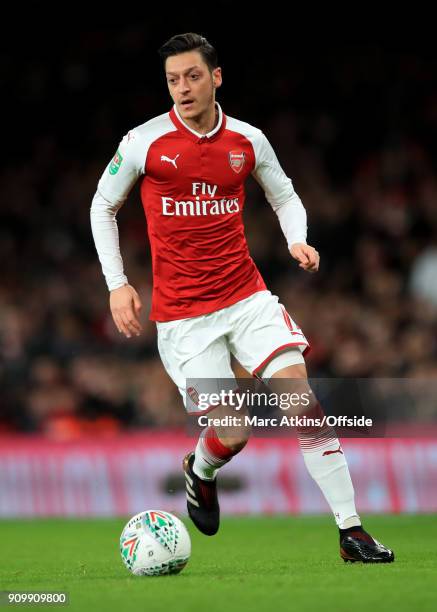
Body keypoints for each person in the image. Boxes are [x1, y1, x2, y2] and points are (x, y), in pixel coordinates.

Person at [90, 32, 394, 563]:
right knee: (234, 431)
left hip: (246, 295)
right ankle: (200, 469)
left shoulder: (248, 141)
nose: (182, 89)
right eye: (172, 80)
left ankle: (352, 531)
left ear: (216, 77)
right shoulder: (144, 141)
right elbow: (102, 206)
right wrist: (118, 283)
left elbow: (284, 194)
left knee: (303, 404)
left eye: (192, 76)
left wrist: (297, 237)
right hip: (185, 317)